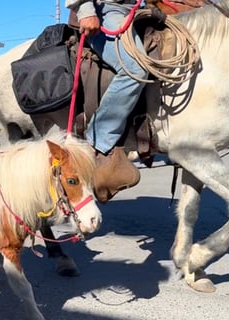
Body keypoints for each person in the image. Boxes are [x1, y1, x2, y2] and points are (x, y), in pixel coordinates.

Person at [65, 0, 148, 200]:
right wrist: (85, 9)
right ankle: (96, 143)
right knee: (135, 69)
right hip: (106, 10)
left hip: (139, 9)